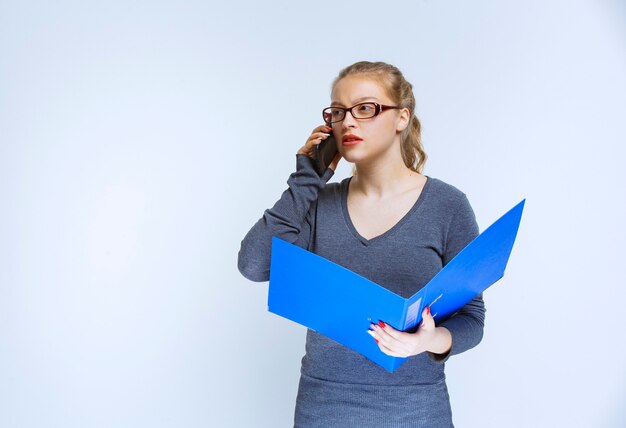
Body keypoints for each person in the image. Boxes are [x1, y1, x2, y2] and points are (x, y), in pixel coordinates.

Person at [238, 61, 485, 428]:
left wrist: (428, 342)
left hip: (416, 411)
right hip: (323, 410)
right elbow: (254, 265)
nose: (348, 122)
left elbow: (472, 319)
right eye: (338, 112)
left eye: (365, 108)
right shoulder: (317, 204)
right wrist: (308, 177)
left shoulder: (447, 206)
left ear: (401, 118)